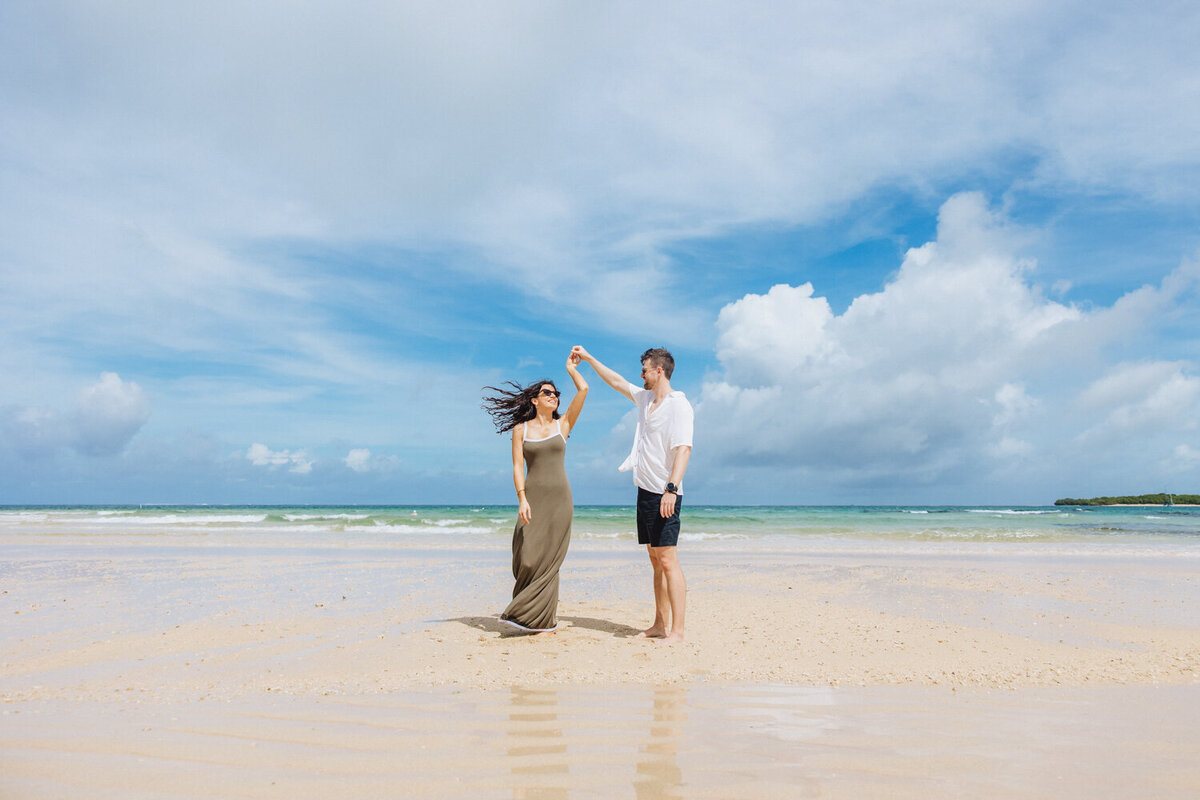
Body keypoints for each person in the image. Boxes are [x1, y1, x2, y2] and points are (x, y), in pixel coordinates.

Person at [570, 345, 693, 643]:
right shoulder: (645, 399)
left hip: (666, 492)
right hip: (645, 490)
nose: (641, 375)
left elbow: (683, 449)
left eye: (645, 370)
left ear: (659, 371)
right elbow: (616, 381)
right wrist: (588, 358)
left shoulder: (679, 405)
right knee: (655, 559)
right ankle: (659, 624)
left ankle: (677, 631)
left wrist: (671, 490)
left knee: (668, 560)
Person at [481, 352, 588, 633]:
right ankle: (529, 611)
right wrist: (522, 498)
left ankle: (541, 620)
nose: (554, 396)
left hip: (560, 500)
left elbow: (584, 389)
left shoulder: (562, 425)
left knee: (550, 560)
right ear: (534, 399)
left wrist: (571, 368)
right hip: (533, 499)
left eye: (556, 394)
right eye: (547, 392)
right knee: (527, 557)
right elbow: (517, 466)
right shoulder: (521, 430)